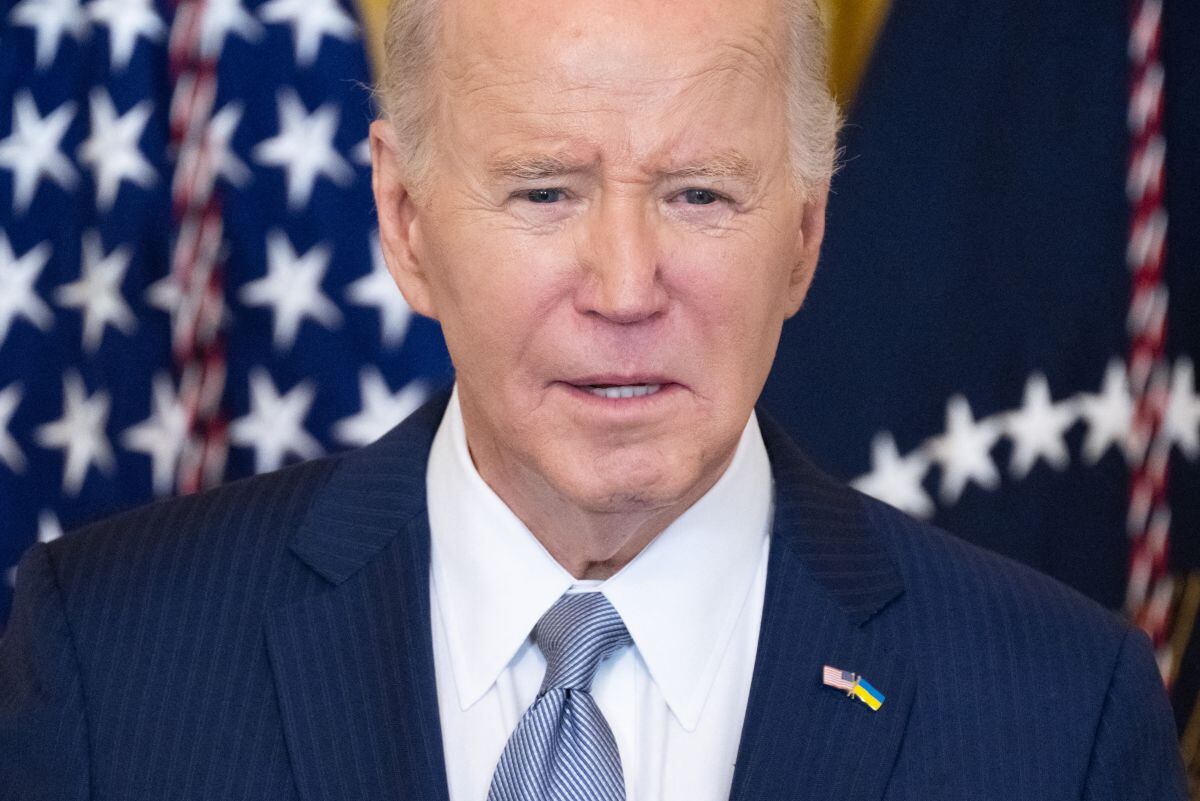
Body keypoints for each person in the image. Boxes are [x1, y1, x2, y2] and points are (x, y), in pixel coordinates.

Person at [0, 0, 1186, 798]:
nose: (625, 288)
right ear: (404, 223)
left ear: (809, 233)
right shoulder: (112, 660)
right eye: (545, 193)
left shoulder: (1060, 717)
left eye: (702, 196)